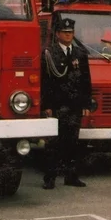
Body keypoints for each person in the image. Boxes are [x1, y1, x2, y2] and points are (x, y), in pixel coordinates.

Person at [40, 18, 92, 189]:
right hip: (57, 104)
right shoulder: (49, 53)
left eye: (71, 33)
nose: (68, 35)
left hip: (75, 104)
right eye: (65, 33)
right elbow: (46, 81)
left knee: (73, 142)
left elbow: (86, 81)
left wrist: (86, 104)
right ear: (57, 34)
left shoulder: (79, 53)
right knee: (54, 143)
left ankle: (71, 176)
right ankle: (50, 178)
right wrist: (46, 106)